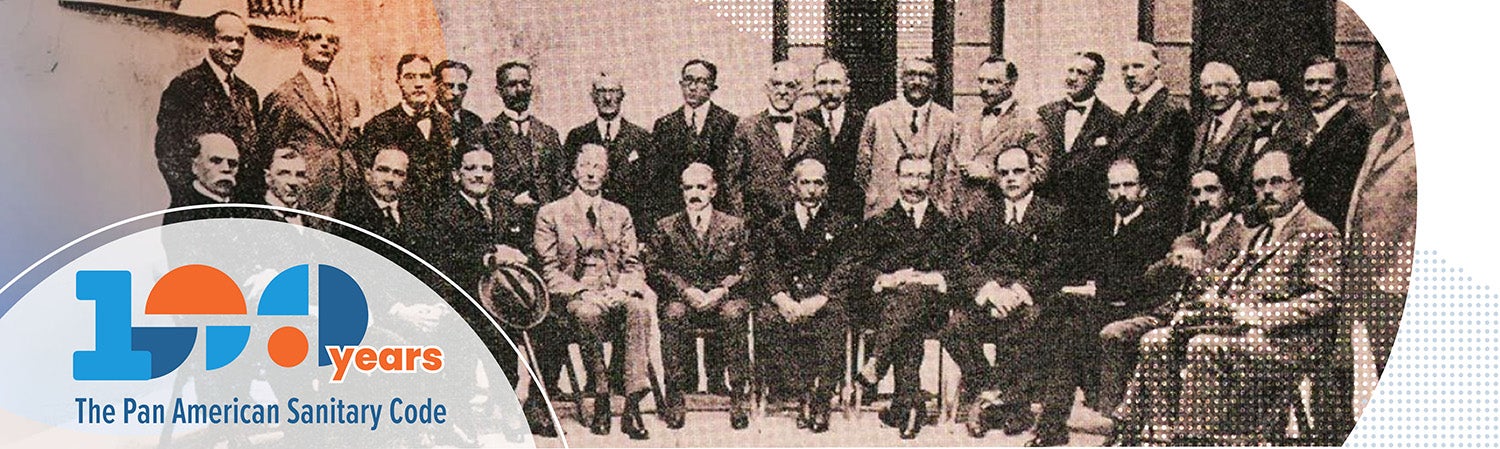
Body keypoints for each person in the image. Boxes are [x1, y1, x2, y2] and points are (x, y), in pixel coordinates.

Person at [1173, 150, 1341, 445]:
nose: (1266, 191)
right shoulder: (1259, 233)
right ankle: (1156, 432)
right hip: (1245, 334)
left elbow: (1325, 298)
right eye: (1259, 184)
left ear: (1299, 185)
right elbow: (1225, 284)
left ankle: (1194, 440)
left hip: (1292, 343)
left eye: (1276, 182)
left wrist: (1262, 316)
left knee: (1203, 345)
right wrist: (1207, 301)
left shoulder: (1319, 231)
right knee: (1159, 340)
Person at [1030, 157, 1175, 446]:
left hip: (1136, 311)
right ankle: (1053, 416)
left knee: (1068, 323)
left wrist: (1094, 291)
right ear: (1107, 192)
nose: (1121, 192)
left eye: (1128, 185)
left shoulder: (1157, 228)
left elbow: (1142, 284)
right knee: (1061, 315)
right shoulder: (1100, 224)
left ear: (1143, 190)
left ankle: (1049, 420)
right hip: (1101, 308)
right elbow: (1080, 266)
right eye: (1114, 186)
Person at [1104, 166, 1249, 445]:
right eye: (1196, 192)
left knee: (1154, 342)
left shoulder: (1243, 237)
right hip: (1169, 314)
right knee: (1114, 334)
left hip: (1210, 322)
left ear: (1229, 195)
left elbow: (1238, 289)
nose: (1203, 199)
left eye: (1211, 190)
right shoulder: (1187, 238)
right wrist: (1173, 260)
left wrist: (1202, 269)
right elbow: (1149, 279)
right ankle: (1127, 426)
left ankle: (1144, 425)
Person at [942, 146, 1067, 439]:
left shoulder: (1052, 215)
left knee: (1029, 324)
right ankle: (999, 397)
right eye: (1004, 173)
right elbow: (964, 260)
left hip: (1027, 301)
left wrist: (1017, 292)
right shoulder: (983, 212)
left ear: (1032, 175)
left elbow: (1055, 264)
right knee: (954, 327)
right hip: (990, 298)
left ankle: (996, 403)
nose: (1011, 179)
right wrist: (990, 292)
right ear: (996, 178)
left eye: (1018, 171)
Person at [534, 144, 656, 440]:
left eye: (598, 166)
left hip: (613, 292)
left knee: (639, 309)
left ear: (606, 174)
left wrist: (623, 290)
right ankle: (601, 395)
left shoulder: (620, 213)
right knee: (587, 312)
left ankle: (631, 404)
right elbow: (549, 271)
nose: (591, 172)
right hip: (575, 298)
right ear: (574, 171)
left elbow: (633, 264)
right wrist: (581, 291)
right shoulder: (552, 213)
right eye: (585, 165)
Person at [851, 155, 964, 440]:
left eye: (923, 177)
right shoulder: (878, 223)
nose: (915, 184)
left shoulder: (947, 225)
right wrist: (886, 279)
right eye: (909, 176)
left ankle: (878, 362)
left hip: (931, 307)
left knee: (912, 297)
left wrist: (928, 279)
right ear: (897, 178)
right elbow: (861, 269)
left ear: (932, 181)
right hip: (888, 305)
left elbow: (958, 270)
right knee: (906, 320)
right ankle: (910, 405)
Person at [753, 159, 858, 433]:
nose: (811, 190)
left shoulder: (841, 225)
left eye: (818, 183)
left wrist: (821, 297)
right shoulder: (775, 227)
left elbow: (845, 267)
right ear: (792, 187)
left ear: (827, 187)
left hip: (823, 299)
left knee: (835, 319)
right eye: (805, 182)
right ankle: (802, 394)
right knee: (767, 320)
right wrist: (782, 299)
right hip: (787, 300)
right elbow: (768, 268)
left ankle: (822, 397)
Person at [648, 163, 753, 430]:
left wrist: (723, 289)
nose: (695, 193)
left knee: (734, 313)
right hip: (683, 297)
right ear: (681, 191)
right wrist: (684, 289)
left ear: (714, 190)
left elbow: (747, 267)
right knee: (672, 314)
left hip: (723, 297)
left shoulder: (734, 226)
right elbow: (655, 267)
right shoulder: (666, 226)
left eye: (701, 187)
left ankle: (738, 395)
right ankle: (675, 395)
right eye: (688, 188)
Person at [1346, 58, 1415, 380]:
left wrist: (1399, 274)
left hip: (1402, 274)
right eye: (1386, 85)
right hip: (1368, 270)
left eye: (1400, 83)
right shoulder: (1380, 136)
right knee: (1379, 361)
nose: (1394, 93)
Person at [259, 17, 361, 218]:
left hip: (349, 204)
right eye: (315, 37)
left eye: (332, 40)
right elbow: (269, 153)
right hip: (306, 202)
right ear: (301, 44)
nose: (325, 44)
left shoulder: (350, 99)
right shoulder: (284, 96)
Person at [155, 11, 259, 204]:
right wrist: (193, 198)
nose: (235, 47)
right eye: (227, 39)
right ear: (210, 40)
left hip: (239, 207)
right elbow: (167, 151)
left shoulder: (248, 94)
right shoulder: (186, 86)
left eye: (240, 41)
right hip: (199, 205)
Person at [946, 57, 1053, 220]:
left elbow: (1040, 173)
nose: (983, 88)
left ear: (1011, 84)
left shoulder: (1029, 122)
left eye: (992, 82)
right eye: (981, 81)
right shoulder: (968, 119)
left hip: (1002, 216)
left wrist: (990, 174)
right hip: (963, 215)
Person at [856, 56, 959, 219]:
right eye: (911, 74)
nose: (917, 81)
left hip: (930, 217)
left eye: (925, 76)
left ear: (934, 82)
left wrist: (943, 211)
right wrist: (877, 197)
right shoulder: (878, 115)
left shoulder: (948, 120)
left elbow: (951, 174)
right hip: (884, 214)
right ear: (901, 78)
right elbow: (862, 168)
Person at [729, 61, 829, 226]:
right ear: (767, 88)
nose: (782, 91)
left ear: (799, 91)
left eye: (790, 85)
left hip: (799, 223)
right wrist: (740, 222)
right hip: (757, 224)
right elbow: (733, 181)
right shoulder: (747, 128)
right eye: (776, 84)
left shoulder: (814, 132)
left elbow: (821, 180)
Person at [1111, 42, 1194, 232]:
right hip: (1129, 214)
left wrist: (1139, 219)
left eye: (1138, 66)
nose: (1130, 74)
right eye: (1125, 68)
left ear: (1156, 69)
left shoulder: (1171, 111)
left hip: (1153, 222)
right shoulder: (1134, 109)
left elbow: (1167, 177)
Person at [563, 72, 661, 231]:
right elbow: (566, 183)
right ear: (593, 97)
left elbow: (650, 190)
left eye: (613, 91)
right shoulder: (577, 137)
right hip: (586, 226)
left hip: (629, 227)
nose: (607, 98)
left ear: (622, 95)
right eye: (601, 92)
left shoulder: (641, 138)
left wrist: (643, 235)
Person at [1037, 51, 1121, 225]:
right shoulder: (1045, 114)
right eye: (1070, 71)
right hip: (1047, 217)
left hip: (1090, 220)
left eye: (1081, 73)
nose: (1072, 78)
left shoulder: (1113, 121)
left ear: (1098, 81)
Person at [358, 54, 455, 203]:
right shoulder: (379, 125)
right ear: (399, 82)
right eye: (410, 77)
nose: (418, 84)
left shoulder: (447, 123)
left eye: (425, 76)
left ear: (434, 82)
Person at [474, 60, 566, 213]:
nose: (520, 90)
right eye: (512, 84)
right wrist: (510, 200)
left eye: (525, 84)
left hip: (544, 221)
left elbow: (562, 178)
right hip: (504, 220)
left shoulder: (548, 134)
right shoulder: (485, 134)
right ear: (499, 90)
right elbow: (478, 181)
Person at [1293, 55, 1372, 231]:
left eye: (1324, 82)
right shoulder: (1305, 125)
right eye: (1309, 83)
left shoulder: (1354, 128)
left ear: (1342, 86)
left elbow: (1342, 195)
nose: (1315, 89)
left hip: (1329, 230)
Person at [653, 59, 741, 212]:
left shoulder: (730, 123)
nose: (693, 87)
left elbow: (733, 176)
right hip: (675, 215)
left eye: (700, 81)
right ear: (681, 84)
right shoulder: (664, 125)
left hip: (717, 213)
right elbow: (658, 179)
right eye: (688, 80)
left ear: (712, 87)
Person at [799, 60, 867, 218]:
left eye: (835, 83)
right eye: (822, 83)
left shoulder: (863, 122)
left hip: (853, 212)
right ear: (814, 87)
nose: (829, 91)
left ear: (847, 86)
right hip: (813, 210)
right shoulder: (803, 122)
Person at [332, 145, 421, 253]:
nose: (390, 179)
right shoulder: (350, 213)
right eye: (383, 170)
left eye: (398, 173)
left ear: (406, 180)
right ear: (368, 174)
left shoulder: (416, 215)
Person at [1188, 62, 1257, 189]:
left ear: (1237, 88)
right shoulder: (1201, 129)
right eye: (1207, 87)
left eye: (1221, 86)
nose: (1213, 93)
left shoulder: (1252, 123)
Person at [163, 133, 241, 225]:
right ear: (195, 166)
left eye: (232, 163)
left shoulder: (246, 208)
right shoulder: (180, 214)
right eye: (216, 161)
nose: (226, 169)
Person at [243, 148, 310, 226]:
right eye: (284, 174)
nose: (293, 182)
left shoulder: (313, 219)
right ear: (268, 178)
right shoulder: (249, 218)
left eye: (300, 175)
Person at [434, 60, 485, 139]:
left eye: (462, 87)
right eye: (449, 86)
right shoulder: (425, 117)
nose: (456, 93)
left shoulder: (474, 121)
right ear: (436, 86)